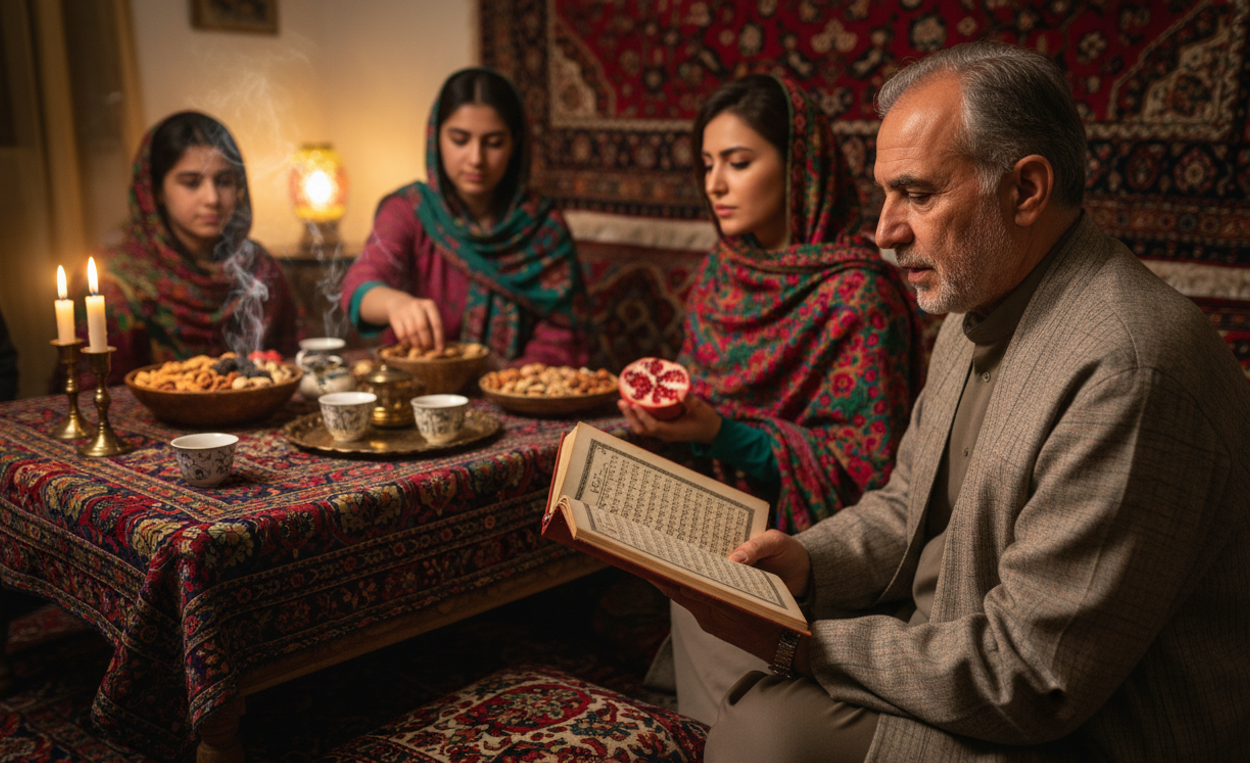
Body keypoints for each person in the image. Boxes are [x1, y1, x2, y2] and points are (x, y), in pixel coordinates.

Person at [674, 42, 1250, 763]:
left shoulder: (1130, 368)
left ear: (1026, 188)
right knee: (706, 609)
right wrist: (806, 565)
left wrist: (803, 644)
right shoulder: (973, 309)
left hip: (1084, 759)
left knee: (759, 750)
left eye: (915, 193)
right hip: (949, 657)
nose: (882, 232)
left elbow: (1032, 677)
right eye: (883, 195)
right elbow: (907, 506)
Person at [618, 75, 919, 725]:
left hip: (805, 557)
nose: (715, 185)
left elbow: (870, 475)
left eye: (739, 162)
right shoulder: (722, 273)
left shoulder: (859, 297)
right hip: (695, 530)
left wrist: (723, 432)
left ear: (800, 168)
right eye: (707, 165)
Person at [340, 67, 592, 368]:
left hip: (520, 396)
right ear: (436, 137)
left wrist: (509, 382)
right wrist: (395, 304)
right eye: (460, 140)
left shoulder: (542, 225)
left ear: (515, 144)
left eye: (494, 143)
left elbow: (564, 334)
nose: (476, 159)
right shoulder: (409, 210)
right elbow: (360, 287)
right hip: (419, 394)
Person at [64, 111, 299, 386]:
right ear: (156, 190)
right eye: (191, 183)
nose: (212, 199)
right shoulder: (117, 281)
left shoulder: (258, 266)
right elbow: (102, 393)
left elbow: (296, 359)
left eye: (223, 181)